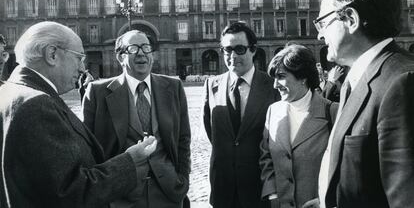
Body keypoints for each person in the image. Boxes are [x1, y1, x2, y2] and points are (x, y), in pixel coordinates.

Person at [0, 21, 157, 208]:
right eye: (79, 58)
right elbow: (70, 193)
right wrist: (130, 161)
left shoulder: (10, 91)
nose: (83, 68)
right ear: (52, 54)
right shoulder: (36, 105)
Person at [315, 0, 414, 208]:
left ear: (350, 18)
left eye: (323, 23)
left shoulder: (403, 82)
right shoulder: (360, 78)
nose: (319, 34)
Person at [82, 30, 191, 208]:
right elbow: (89, 147)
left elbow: (183, 139)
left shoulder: (173, 87)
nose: (141, 53)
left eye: (146, 47)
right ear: (120, 57)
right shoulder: (97, 92)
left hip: (168, 193)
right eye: (133, 48)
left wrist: (182, 180)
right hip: (120, 196)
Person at [203, 21, 280, 208]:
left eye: (239, 49)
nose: (232, 56)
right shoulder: (212, 85)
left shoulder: (273, 87)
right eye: (227, 50)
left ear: (253, 50)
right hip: (223, 189)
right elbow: (211, 131)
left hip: (259, 189)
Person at [260, 44, 337, 208]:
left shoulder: (332, 112)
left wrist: (326, 200)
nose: (275, 85)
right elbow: (266, 158)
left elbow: (343, 167)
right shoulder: (273, 111)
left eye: (280, 76)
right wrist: (273, 194)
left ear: (303, 77)